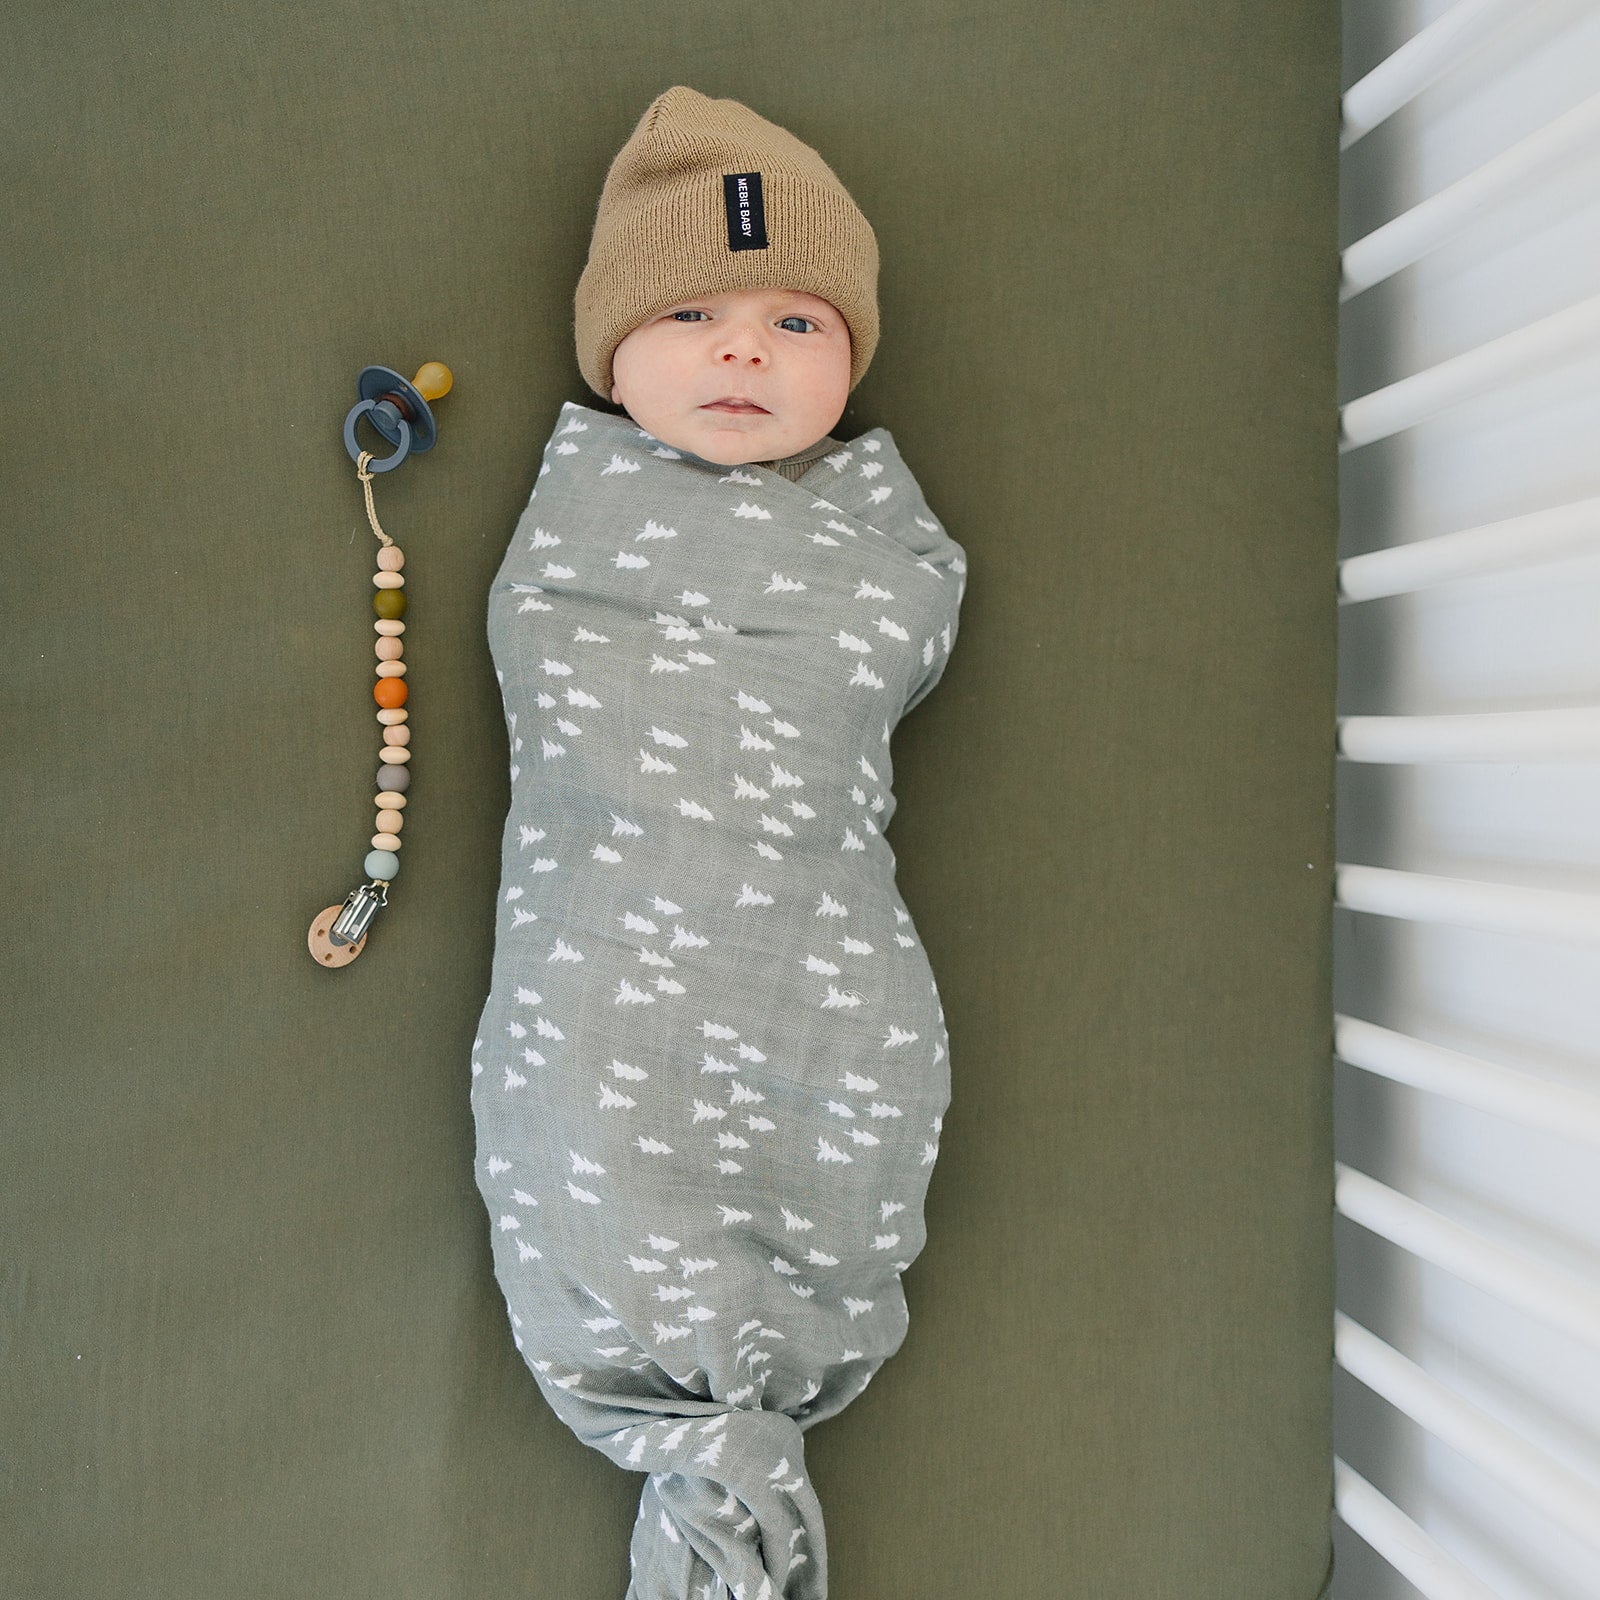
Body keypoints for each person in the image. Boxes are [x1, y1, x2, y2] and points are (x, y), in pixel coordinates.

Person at [470, 85, 967, 1600]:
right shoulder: (579, 540)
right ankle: (694, 1425)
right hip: (603, 963)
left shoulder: (875, 546)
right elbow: (555, 662)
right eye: (691, 312)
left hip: (821, 970)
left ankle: (765, 1376)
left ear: (850, 364)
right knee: (600, 1123)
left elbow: (875, 650)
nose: (743, 349)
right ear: (612, 357)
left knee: (843, 1107)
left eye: (794, 323)